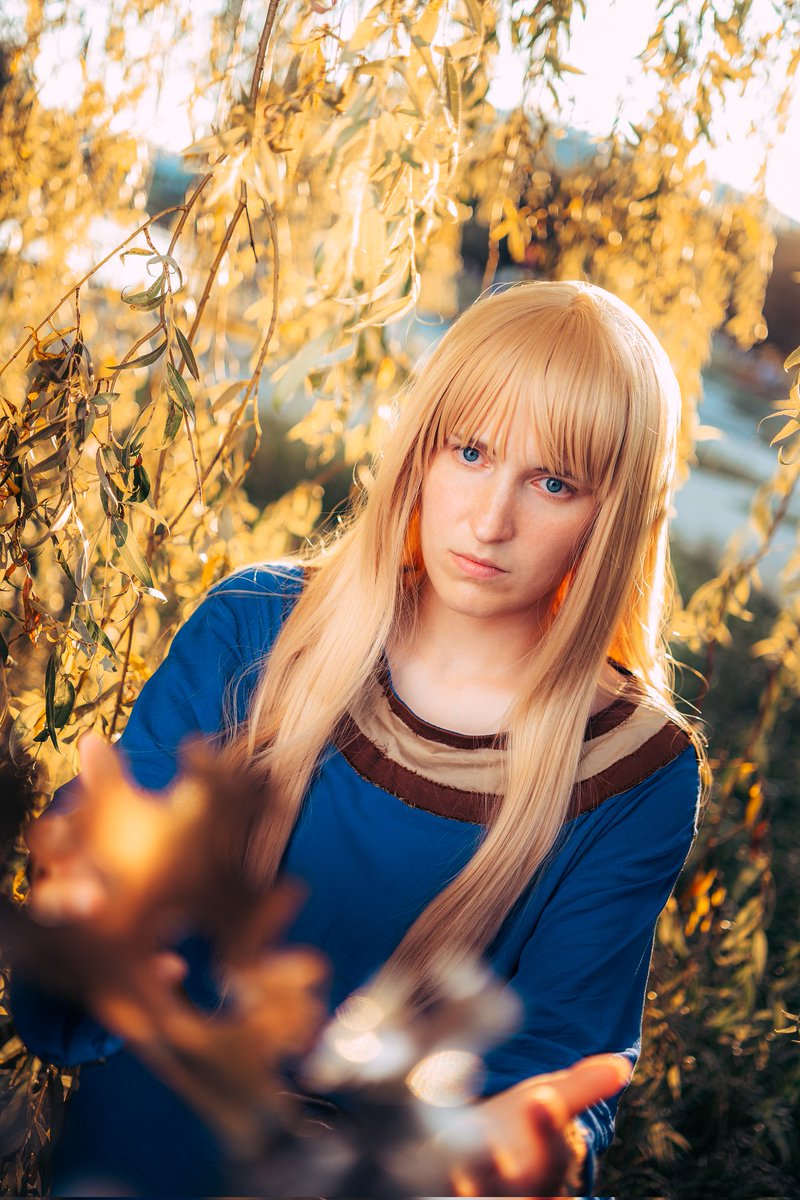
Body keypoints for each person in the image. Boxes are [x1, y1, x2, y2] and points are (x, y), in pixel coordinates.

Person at [13, 280, 706, 1196]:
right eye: (470, 451)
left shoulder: (633, 770)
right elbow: (110, 869)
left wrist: (514, 1147)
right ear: (421, 448)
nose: (491, 520)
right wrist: (90, 892)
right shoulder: (258, 626)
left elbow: (556, 1064)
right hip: (139, 1153)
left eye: (552, 482)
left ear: (612, 514)